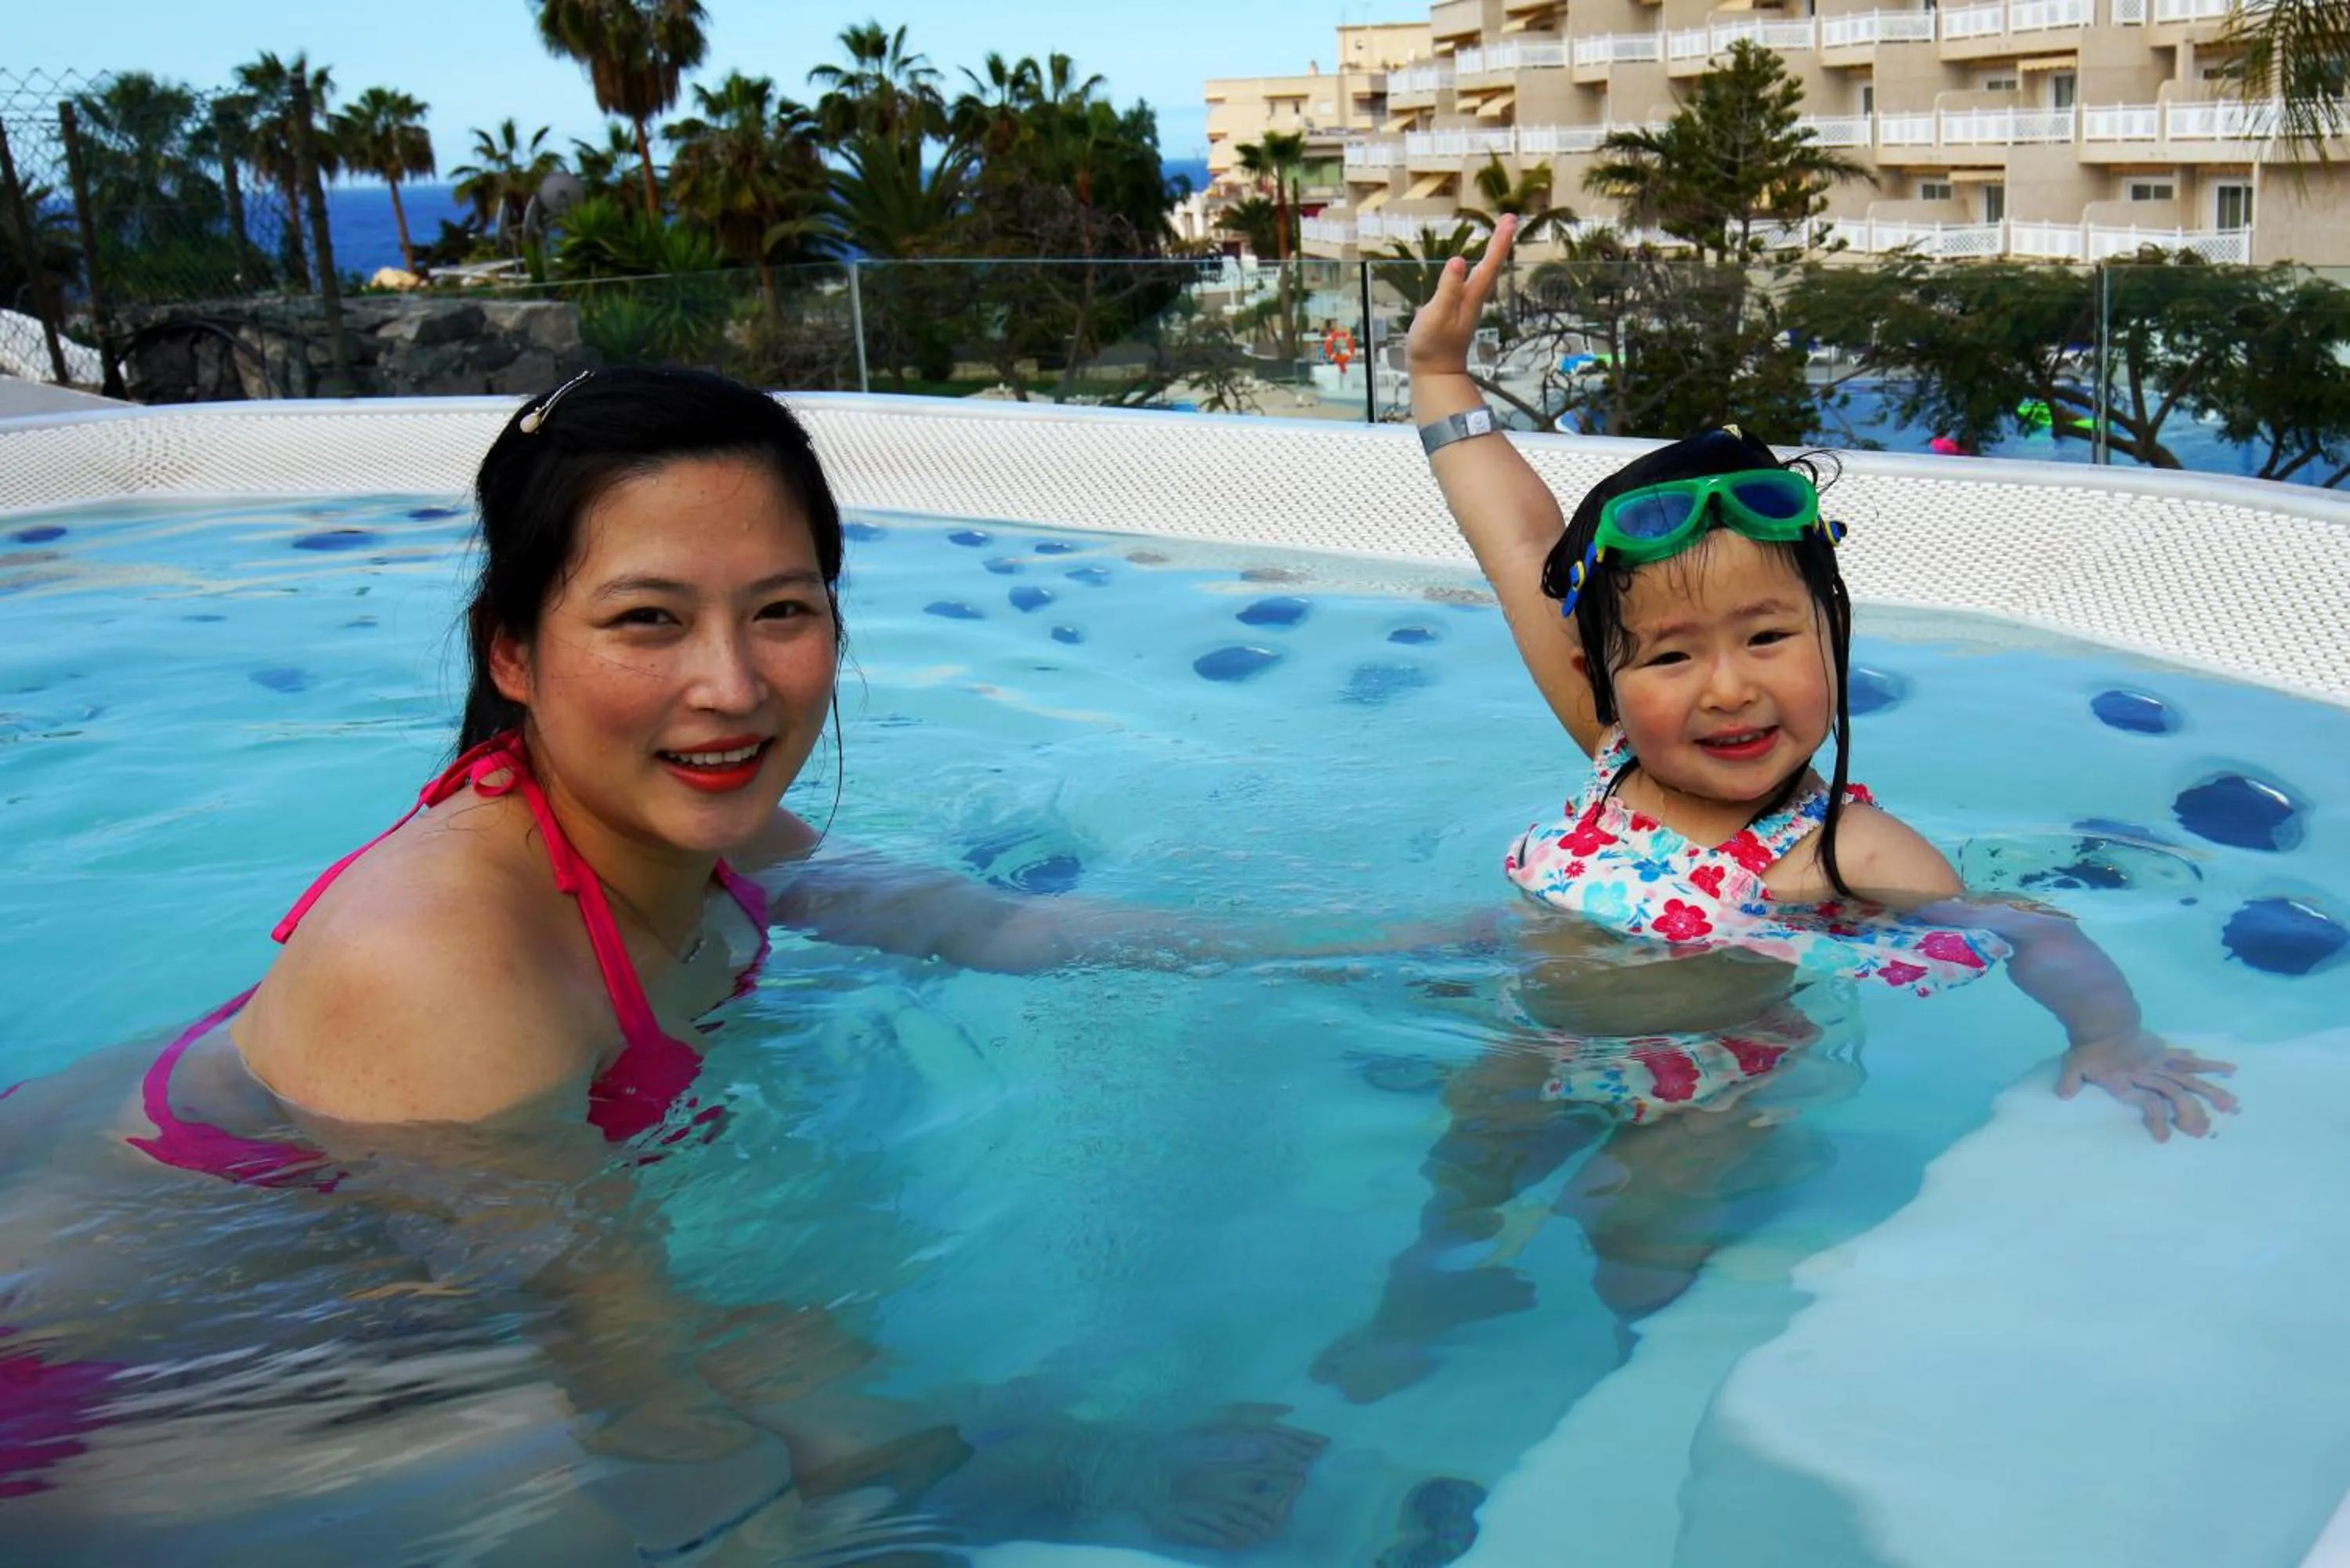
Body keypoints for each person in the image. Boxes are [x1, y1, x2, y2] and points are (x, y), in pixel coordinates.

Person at [0, 366, 1323, 1558]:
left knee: (793, 1364)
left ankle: (1029, 1476)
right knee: (738, 1423)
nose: (733, 686)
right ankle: (1039, 1479)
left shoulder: (694, 828)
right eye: (648, 618)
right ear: (512, 650)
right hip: (83, 1398)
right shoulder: (444, 955)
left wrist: (1370, 952)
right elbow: (646, 1402)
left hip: (332, 1306)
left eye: (781, 610)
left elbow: (984, 926)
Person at [1310, 215, 2240, 1405]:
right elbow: (1522, 545)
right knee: (1465, 1175)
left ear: (1833, 634)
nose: (1729, 688)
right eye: (1672, 655)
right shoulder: (1614, 748)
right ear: (1605, 677)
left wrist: (2108, 1035)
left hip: (1708, 1091)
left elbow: (2031, 928)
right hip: (1534, 1044)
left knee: (1630, 1243)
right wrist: (1441, 374)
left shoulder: (1837, 850)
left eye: (1767, 637)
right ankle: (1434, 1294)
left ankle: (1643, 1372)